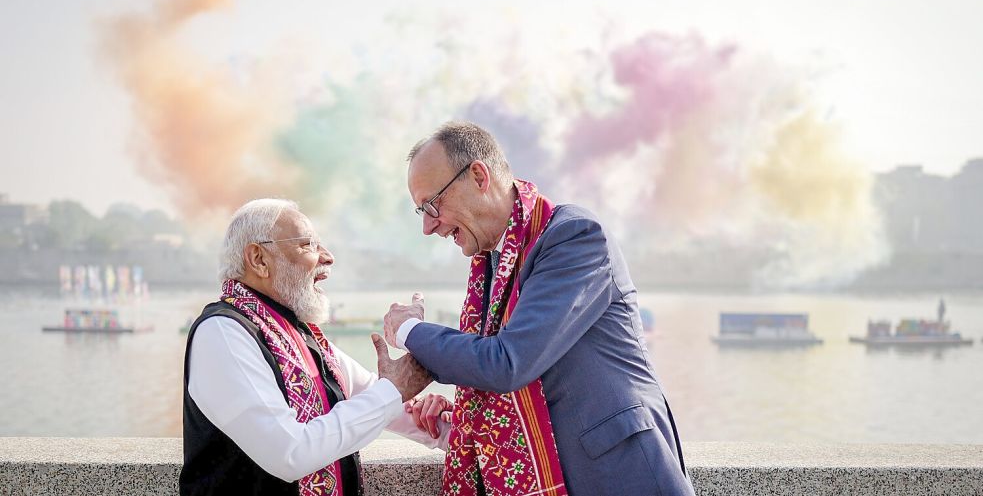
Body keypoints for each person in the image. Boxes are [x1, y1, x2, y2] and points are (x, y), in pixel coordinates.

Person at [384, 121, 696, 495]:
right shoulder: (493, 264)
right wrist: (464, 419)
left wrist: (409, 331)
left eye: (432, 205)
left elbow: (508, 363)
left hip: (621, 475)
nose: (428, 226)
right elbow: (518, 378)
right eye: (421, 212)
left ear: (479, 176)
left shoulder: (574, 237)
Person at [181, 198, 449, 496]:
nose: (328, 257)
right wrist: (394, 390)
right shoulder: (222, 332)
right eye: (308, 244)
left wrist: (444, 423)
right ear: (258, 259)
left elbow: (379, 398)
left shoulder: (298, 333)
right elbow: (289, 453)